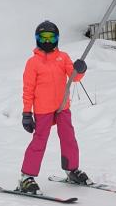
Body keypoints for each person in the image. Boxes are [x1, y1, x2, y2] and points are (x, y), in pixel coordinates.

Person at [18, 20, 89, 194]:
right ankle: (26, 177)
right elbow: (28, 89)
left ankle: (72, 170)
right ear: (37, 39)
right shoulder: (33, 62)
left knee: (68, 137)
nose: (47, 41)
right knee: (39, 141)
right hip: (43, 109)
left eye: (51, 37)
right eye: (43, 37)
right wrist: (27, 113)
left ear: (57, 39)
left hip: (62, 107)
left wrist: (80, 69)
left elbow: (75, 77)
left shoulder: (62, 57)